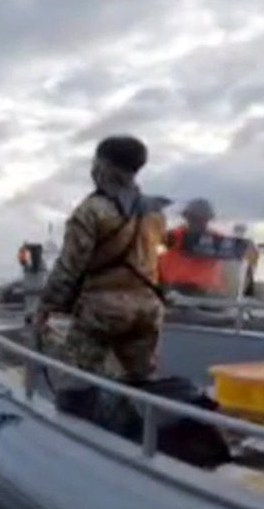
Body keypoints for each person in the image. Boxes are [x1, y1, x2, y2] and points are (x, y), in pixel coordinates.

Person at [35, 135, 167, 386]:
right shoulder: (154, 211)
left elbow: (69, 268)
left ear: (103, 166)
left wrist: (47, 307)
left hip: (103, 310)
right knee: (142, 382)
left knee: (78, 379)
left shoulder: (91, 210)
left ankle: (78, 422)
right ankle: (137, 424)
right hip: (148, 310)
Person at [158, 198, 229, 295]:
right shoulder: (175, 235)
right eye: (193, 218)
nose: (196, 222)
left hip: (205, 292)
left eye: (200, 219)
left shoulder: (218, 239)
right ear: (187, 218)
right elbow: (158, 243)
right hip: (172, 288)